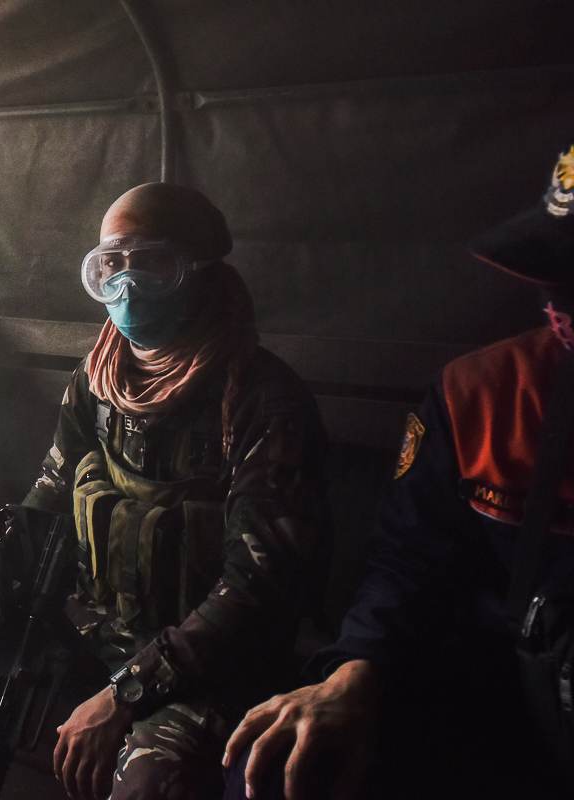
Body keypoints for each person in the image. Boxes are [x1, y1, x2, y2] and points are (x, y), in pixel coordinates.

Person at [0, 183, 331, 800]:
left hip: (208, 664)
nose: (129, 282)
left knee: (149, 777)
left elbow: (256, 591)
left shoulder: (261, 402)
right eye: (113, 263)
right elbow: (51, 493)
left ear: (200, 275)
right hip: (91, 629)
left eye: (154, 263)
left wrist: (124, 693)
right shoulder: (99, 379)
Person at [223, 145, 574, 800]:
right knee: (279, 764)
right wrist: (355, 670)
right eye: (556, 274)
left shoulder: (265, 396)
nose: (563, 305)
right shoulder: (482, 395)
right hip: (508, 691)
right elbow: (411, 564)